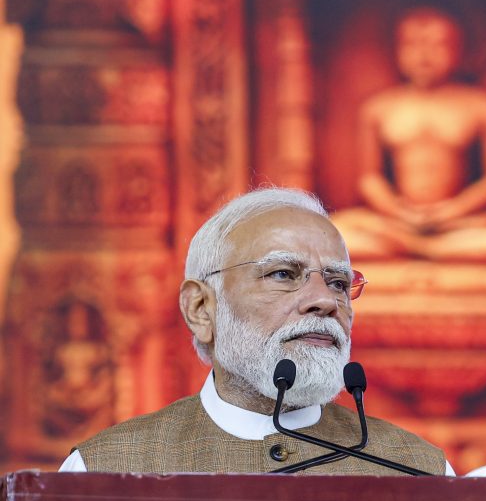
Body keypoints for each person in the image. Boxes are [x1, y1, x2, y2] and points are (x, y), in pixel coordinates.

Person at [60, 187, 454, 475]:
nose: (325, 301)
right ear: (201, 308)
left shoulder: (419, 470)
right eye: (283, 274)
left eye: (337, 282)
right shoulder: (104, 470)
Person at [331, 6, 486, 264]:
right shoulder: (379, 108)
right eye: (412, 45)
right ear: (396, 50)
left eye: (438, 45)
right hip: (395, 222)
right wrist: (400, 212)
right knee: (328, 235)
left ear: (460, 51)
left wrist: (450, 213)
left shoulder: (483, 106)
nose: (424, 55)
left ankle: (421, 250)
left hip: (461, 224)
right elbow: (370, 179)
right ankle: (421, 246)